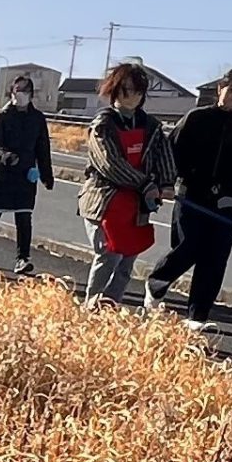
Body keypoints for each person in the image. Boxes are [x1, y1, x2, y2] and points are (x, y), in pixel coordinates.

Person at [145, 68, 232, 328]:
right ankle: (156, 283)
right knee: (188, 247)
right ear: (219, 89)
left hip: (225, 200)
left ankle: (197, 317)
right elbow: (169, 154)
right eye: (229, 89)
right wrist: (163, 184)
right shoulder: (195, 118)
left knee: (215, 259)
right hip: (191, 195)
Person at [76, 61, 180, 306]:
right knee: (109, 253)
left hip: (137, 205)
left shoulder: (151, 127)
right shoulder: (103, 125)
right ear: (114, 90)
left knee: (128, 257)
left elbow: (164, 156)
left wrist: (166, 183)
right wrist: (144, 183)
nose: (131, 96)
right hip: (105, 200)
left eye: (137, 91)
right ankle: (92, 305)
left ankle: (111, 304)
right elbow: (109, 163)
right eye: (126, 89)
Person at [0, 75, 55, 274]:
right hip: (2, 173)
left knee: (24, 216)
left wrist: (46, 175)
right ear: (11, 92)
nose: (22, 94)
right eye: (18, 90)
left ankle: (22, 259)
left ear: (31, 94)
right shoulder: (2, 116)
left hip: (25, 174)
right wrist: (6, 156)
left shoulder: (37, 119)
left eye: (26, 90)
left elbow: (43, 148)